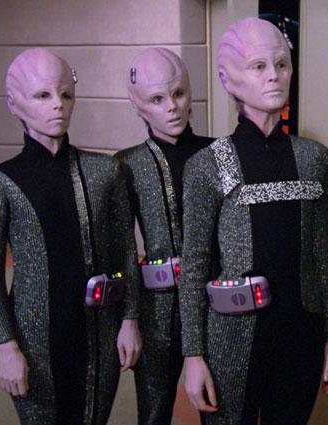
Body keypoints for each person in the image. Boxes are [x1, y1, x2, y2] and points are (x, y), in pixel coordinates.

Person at [179, 17, 328, 425]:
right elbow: (195, 263)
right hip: (231, 341)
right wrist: (193, 355)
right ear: (228, 79)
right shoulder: (207, 165)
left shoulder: (314, 159)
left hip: (302, 334)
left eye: (282, 64)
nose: (274, 75)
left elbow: (326, 256)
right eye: (258, 66)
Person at [0, 48, 141, 425]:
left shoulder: (104, 171)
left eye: (66, 94)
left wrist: (130, 320)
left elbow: (125, 252)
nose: (57, 105)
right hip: (34, 339)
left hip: (99, 332)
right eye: (42, 95)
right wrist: (6, 346)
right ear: (14, 102)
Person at [115, 47, 214, 425]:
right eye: (157, 99)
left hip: (214, 300)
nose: (172, 107)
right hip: (156, 306)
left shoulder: (219, 153)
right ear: (137, 105)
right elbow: (124, 249)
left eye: (178, 93)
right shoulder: (127, 164)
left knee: (218, 405)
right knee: (154, 410)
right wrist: (129, 319)